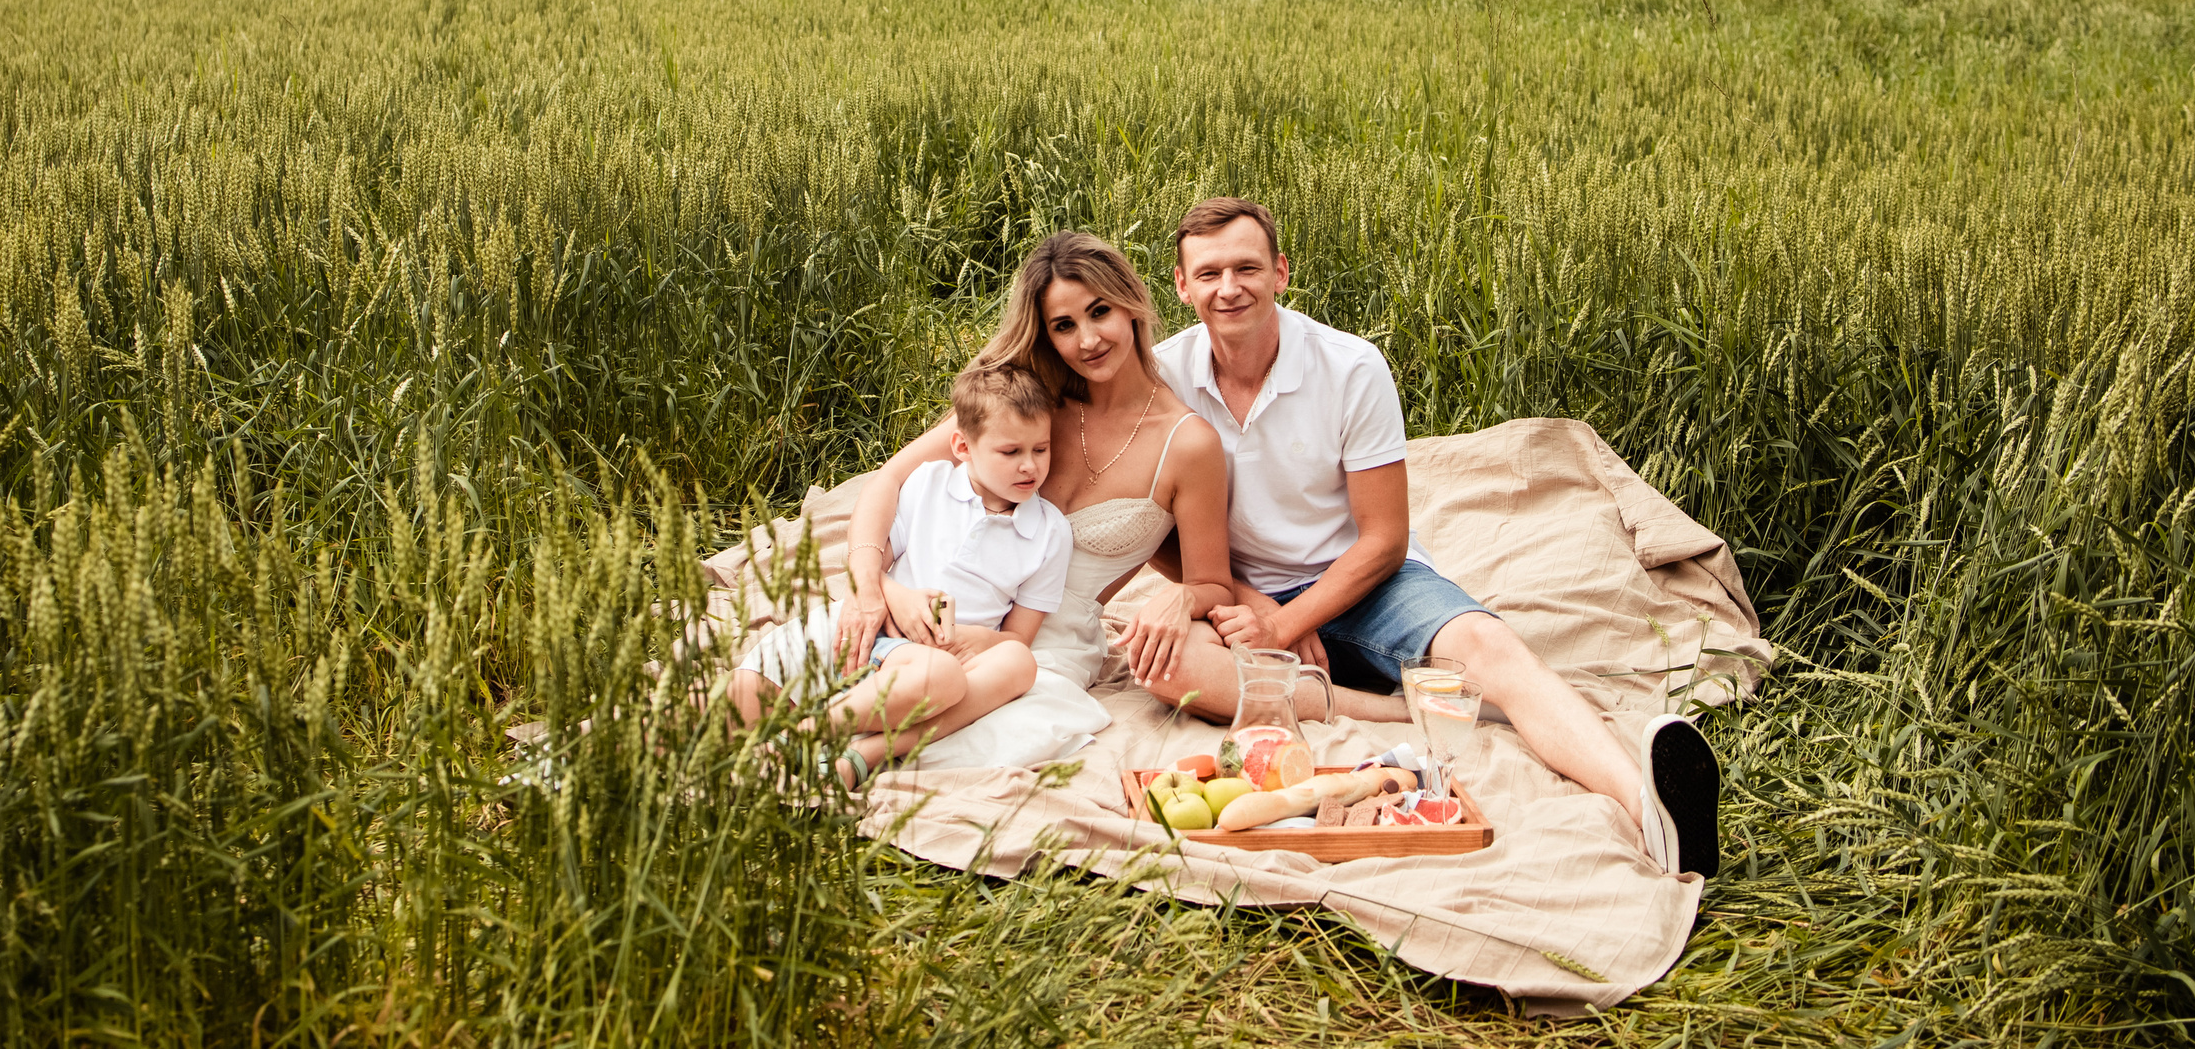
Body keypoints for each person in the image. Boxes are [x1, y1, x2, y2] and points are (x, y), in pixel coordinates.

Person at [1137, 197, 1723, 878]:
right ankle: (1391, 710)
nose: (1228, 287)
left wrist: (1288, 621)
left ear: (1281, 272)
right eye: (1208, 273)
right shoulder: (1163, 377)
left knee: (1490, 645)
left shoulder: (1350, 368)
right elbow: (1154, 523)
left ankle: (1649, 808)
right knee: (1166, 665)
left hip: (1365, 580)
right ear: (1181, 284)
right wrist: (1255, 606)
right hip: (1239, 588)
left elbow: (1385, 539)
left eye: (1246, 267)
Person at [839, 234, 1236, 763]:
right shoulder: (1026, 398)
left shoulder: (1188, 444)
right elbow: (888, 482)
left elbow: (1214, 584)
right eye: (1064, 326)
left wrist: (1183, 597)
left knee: (1000, 724)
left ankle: (856, 756)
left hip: (1045, 645)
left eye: (1100, 312)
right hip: (941, 602)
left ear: (1132, 303)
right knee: (868, 670)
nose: (1088, 339)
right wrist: (874, 587)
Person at [727, 364, 1072, 786]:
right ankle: (813, 731)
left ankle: (829, 742)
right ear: (962, 446)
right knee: (737, 706)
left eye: (1041, 449)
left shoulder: (1049, 532)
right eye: (1011, 452)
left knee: (1017, 663)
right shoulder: (929, 484)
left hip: (945, 659)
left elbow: (1018, 637)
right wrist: (899, 597)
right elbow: (871, 570)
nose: (1029, 467)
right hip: (879, 631)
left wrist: (972, 638)